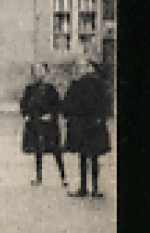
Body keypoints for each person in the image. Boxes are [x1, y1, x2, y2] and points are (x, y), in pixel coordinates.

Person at [62, 58, 110, 199]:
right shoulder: (78, 84)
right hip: (84, 125)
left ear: (92, 69)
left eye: (86, 66)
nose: (84, 69)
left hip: (90, 125)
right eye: (82, 67)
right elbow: (68, 104)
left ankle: (91, 188)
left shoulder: (96, 85)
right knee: (85, 156)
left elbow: (104, 104)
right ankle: (87, 188)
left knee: (90, 157)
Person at [19, 63, 66, 187]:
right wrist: (26, 115)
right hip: (35, 123)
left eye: (41, 71)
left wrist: (51, 115)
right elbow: (23, 103)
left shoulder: (51, 89)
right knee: (37, 150)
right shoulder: (29, 89)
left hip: (49, 124)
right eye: (36, 71)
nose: (39, 74)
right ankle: (39, 177)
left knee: (56, 151)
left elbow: (58, 105)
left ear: (46, 73)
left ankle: (63, 177)